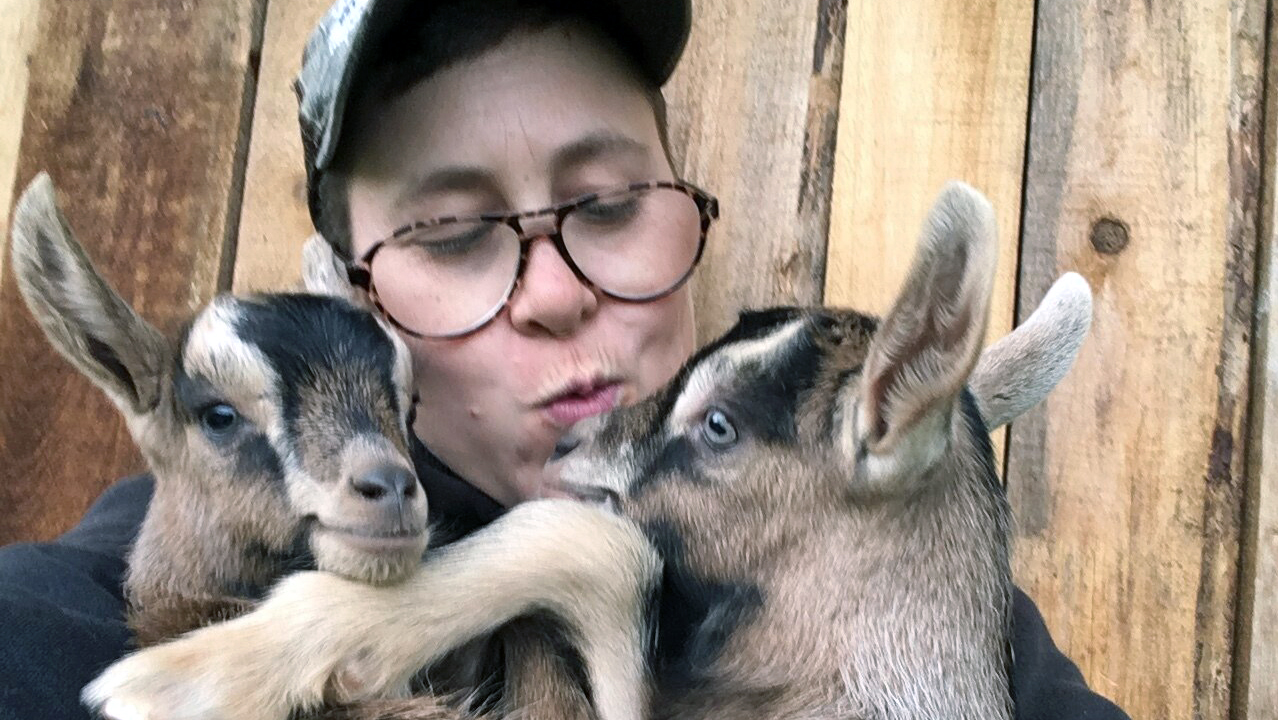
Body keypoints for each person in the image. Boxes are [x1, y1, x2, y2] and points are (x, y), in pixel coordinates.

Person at [0, 1, 1130, 718]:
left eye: (609, 202)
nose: (556, 292)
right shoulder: (184, 567)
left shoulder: (867, 551)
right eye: (448, 232)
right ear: (358, 308)